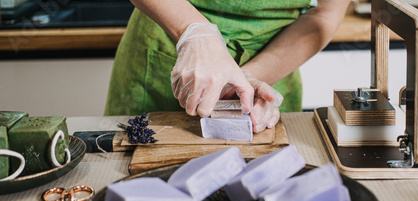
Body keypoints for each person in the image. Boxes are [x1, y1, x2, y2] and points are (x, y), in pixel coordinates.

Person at [105, 0, 350, 133]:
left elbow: (324, 14)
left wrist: (247, 78)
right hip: (166, 47)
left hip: (275, 59)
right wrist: (193, 33)